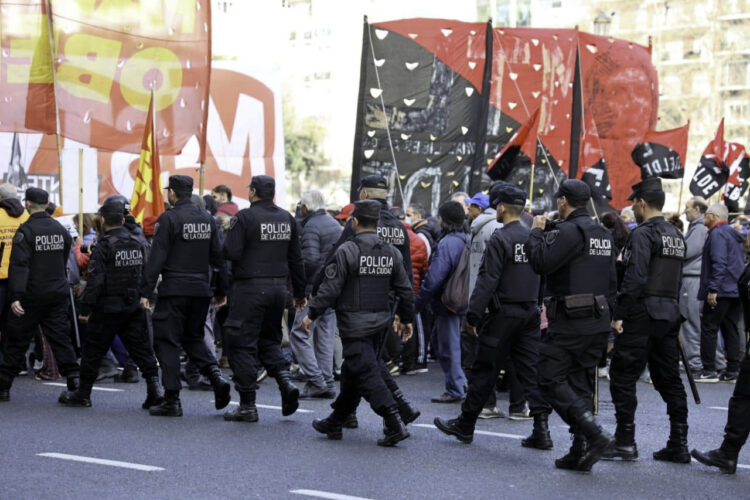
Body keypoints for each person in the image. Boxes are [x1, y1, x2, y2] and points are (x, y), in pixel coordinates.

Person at [435, 184, 552, 449]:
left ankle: (465, 425)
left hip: (503, 314)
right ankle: (541, 429)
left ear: (501, 208)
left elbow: (488, 279)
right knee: (529, 372)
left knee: (484, 369)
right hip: (530, 313)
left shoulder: (501, 238)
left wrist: (473, 316)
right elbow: (543, 275)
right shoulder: (534, 237)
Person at [305, 200, 416, 446]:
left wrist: (311, 313)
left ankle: (394, 420)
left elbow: (330, 289)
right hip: (380, 323)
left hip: (354, 324)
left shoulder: (347, 250)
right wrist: (407, 319)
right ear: (376, 224)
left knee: (366, 373)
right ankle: (336, 420)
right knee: (353, 371)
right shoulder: (391, 251)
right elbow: (406, 290)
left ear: (354, 222)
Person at [525, 179, 616, 472]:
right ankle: (579, 451)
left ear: (563, 201)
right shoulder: (603, 232)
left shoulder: (569, 230)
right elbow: (613, 281)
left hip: (571, 320)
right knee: (580, 384)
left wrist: (536, 233)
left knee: (549, 377)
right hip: (597, 319)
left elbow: (540, 262)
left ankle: (594, 435)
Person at [604, 177, 690, 464]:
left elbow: (635, 277)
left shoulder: (642, 234)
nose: (632, 207)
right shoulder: (676, 234)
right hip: (668, 314)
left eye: (633, 203)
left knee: (623, 376)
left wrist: (619, 315)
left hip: (641, 313)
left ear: (641, 203)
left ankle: (625, 441)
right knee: (669, 380)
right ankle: (679, 443)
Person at [58, 196, 164, 409]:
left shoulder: (105, 245)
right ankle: (155, 390)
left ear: (104, 220)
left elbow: (96, 280)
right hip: (132, 306)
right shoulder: (137, 241)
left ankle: (83, 394)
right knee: (142, 351)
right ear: (123, 220)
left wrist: (85, 308)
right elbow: (146, 273)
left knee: (93, 352)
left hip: (107, 308)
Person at [140, 175, 231, 417]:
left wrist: (146, 292)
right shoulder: (209, 220)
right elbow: (219, 259)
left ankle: (172, 400)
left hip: (174, 291)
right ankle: (215, 376)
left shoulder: (169, 219)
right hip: (201, 290)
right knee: (192, 339)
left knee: (167, 341)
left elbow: (156, 259)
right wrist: (221, 291)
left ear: (172, 193)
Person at [221, 175, 307, 422]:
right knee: (269, 340)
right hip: (278, 290)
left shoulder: (245, 218)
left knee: (242, 344)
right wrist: (299, 293)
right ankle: (285, 383)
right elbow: (296, 259)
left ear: (253, 192)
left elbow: (232, 252)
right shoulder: (286, 218)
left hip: (249, 289)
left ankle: (247, 405)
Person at [0, 188, 78, 402]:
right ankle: (75, 381)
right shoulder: (60, 229)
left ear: (28, 204)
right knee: (61, 338)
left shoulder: (26, 231)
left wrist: (15, 296)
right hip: (57, 292)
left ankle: (4, 387)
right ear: (46, 203)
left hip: (31, 294)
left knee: (17, 340)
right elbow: (64, 259)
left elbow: (20, 265)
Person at [416, 201, 470, 403]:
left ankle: (456, 387)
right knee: (452, 344)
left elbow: (434, 278)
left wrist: (418, 303)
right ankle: (460, 382)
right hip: (465, 298)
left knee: (448, 346)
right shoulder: (469, 238)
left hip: (447, 301)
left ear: (444, 220)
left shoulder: (448, 242)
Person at [289, 190, 341, 399]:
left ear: (305, 207)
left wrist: (302, 290)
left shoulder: (311, 226)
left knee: (299, 332)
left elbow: (309, 261)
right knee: (325, 337)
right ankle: (327, 382)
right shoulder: (333, 224)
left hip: (314, 289)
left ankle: (316, 380)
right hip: (332, 289)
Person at [697, 203, 744, 382]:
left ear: (714, 217)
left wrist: (713, 289)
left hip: (721, 290)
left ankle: (708, 370)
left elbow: (719, 262)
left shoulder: (717, 234)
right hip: (734, 289)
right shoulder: (732, 234)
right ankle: (732, 370)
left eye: (706, 214)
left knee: (709, 328)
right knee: (731, 329)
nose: (704, 217)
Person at [679, 197, 719, 376]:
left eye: (687, 207)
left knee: (691, 323)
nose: (684, 211)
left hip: (692, 281)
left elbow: (685, 251)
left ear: (697, 209)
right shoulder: (701, 228)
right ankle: (716, 363)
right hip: (698, 280)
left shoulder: (699, 229)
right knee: (703, 325)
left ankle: (695, 363)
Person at [0, 184, 28, 366]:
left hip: (1, 276)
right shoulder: (27, 217)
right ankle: (18, 362)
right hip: (23, 276)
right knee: (18, 321)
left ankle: (4, 361)